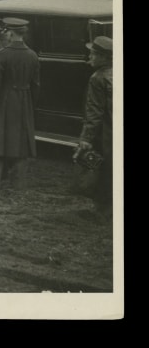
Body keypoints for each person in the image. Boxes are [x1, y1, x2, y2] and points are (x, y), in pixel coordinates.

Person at [0, 17, 40, 190]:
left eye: (7, 31)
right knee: (20, 143)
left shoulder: (2, 54)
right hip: (24, 102)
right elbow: (36, 85)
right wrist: (30, 105)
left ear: (11, 33)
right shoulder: (32, 55)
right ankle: (18, 183)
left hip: (5, 101)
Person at [74, 36, 114, 216]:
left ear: (104, 58)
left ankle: (102, 210)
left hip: (103, 133)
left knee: (100, 169)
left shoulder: (97, 78)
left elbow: (94, 112)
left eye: (93, 54)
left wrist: (86, 138)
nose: (90, 57)